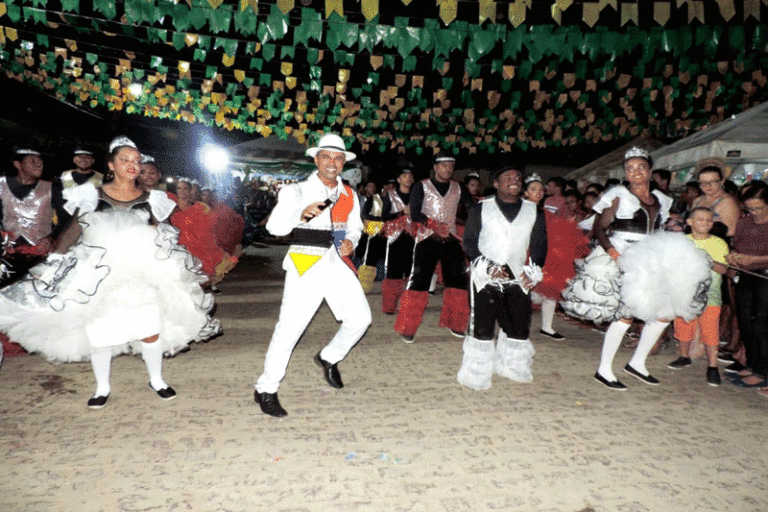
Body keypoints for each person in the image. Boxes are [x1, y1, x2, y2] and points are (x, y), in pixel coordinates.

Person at [0, 136, 220, 408]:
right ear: (111, 165)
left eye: (136, 161)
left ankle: (157, 379)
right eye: (125, 160)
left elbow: (162, 235)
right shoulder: (92, 194)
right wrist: (56, 259)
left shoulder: (154, 198)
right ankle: (102, 387)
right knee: (101, 330)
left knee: (149, 326)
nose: (132, 165)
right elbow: (74, 229)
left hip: (143, 269)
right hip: (99, 271)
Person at [561, 147, 711, 390]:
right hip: (623, 253)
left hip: (651, 255)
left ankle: (637, 363)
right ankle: (604, 369)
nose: (635, 172)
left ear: (650, 171)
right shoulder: (618, 194)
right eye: (630, 168)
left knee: (663, 313)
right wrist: (614, 253)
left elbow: (660, 228)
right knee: (626, 315)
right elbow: (599, 228)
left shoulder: (662, 198)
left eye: (641, 167)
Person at [253, 133, 371, 417]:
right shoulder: (296, 191)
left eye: (338, 158)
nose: (333, 163)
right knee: (290, 329)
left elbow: (356, 227)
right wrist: (299, 214)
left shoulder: (349, 194)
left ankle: (329, 356)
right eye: (327, 157)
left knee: (360, 319)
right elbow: (275, 229)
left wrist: (351, 241)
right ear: (316, 159)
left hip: (338, 263)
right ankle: (266, 388)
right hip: (306, 263)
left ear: (344, 163)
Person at [457, 165, 546, 389]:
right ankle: (476, 375)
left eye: (517, 177)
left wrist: (532, 270)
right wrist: (488, 266)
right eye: (507, 178)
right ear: (496, 184)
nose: (514, 180)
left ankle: (511, 367)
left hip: (518, 274)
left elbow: (539, 245)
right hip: (485, 276)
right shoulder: (481, 208)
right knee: (483, 328)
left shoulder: (534, 210)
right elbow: (469, 243)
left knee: (518, 326)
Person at [393, 150, 474, 343]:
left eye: (451, 166)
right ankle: (407, 327)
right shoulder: (421, 186)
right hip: (427, 240)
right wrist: (432, 224)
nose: (448, 169)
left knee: (457, 282)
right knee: (419, 282)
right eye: (444, 165)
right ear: (435, 167)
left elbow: (473, 209)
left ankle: (455, 323)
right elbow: (415, 213)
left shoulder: (459, 187)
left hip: (451, 240)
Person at [667, 207, 729, 386]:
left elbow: (724, 270)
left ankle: (713, 366)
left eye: (709, 220)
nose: (705, 223)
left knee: (710, 331)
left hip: (710, 295)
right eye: (700, 219)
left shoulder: (719, 243)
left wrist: (708, 260)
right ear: (689, 222)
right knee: (683, 326)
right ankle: (684, 356)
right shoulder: (681, 241)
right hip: (684, 294)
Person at [523, 174, 589, 340]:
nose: (537, 192)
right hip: (522, 253)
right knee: (520, 289)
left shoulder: (545, 212)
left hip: (544, 253)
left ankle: (547, 327)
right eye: (533, 189)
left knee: (550, 288)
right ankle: (517, 325)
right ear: (525, 192)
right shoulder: (518, 210)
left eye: (540, 189)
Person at [0, 146, 66, 286]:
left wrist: (52, 237)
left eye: (40, 162)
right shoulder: (1, 184)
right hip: (8, 249)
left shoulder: (51, 188)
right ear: (18, 164)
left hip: (39, 251)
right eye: (32, 161)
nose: (38, 164)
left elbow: (64, 218)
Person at [725, 181, 768, 394]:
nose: (754, 212)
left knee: (762, 325)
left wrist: (756, 260)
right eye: (750, 208)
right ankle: (753, 365)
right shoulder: (745, 222)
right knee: (745, 322)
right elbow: (737, 245)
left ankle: (764, 372)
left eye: (759, 208)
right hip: (746, 276)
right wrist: (734, 256)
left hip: (765, 278)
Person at [171, 178, 237, 285]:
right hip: (176, 249)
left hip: (197, 250)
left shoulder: (201, 208)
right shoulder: (170, 207)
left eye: (185, 188)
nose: (182, 191)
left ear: (190, 190)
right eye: (179, 188)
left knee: (198, 281)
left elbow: (209, 229)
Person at [380, 168, 415, 314]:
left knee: (412, 273)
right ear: (399, 179)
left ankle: (409, 305)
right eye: (404, 176)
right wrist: (402, 213)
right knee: (394, 273)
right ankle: (389, 306)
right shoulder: (391, 195)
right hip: (396, 239)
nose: (408, 178)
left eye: (410, 176)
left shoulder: (417, 196)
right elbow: (384, 217)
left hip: (414, 238)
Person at [693, 163, 740, 239]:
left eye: (713, 182)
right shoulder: (697, 201)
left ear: (722, 181)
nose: (708, 186)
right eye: (704, 182)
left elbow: (731, 233)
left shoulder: (727, 203)